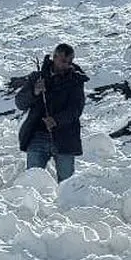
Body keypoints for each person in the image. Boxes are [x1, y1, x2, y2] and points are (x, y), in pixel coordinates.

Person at [15, 43, 88, 182]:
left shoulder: (76, 81)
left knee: (66, 183)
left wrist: (56, 120)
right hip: (37, 136)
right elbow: (20, 103)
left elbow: (76, 109)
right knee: (32, 181)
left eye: (69, 62)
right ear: (54, 57)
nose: (66, 65)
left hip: (66, 138)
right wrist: (34, 92)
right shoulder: (37, 78)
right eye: (63, 61)